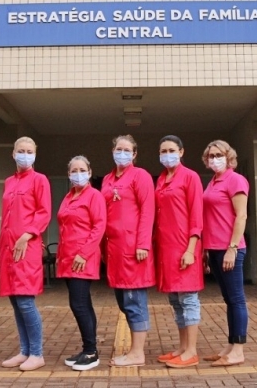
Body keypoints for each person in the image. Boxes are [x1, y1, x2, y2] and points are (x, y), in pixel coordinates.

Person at [0, 136, 52, 372]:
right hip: (8, 248)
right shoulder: (9, 181)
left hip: (26, 248)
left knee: (25, 301)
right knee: (15, 302)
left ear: (35, 154)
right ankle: (24, 351)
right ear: (13, 153)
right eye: (21, 150)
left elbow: (44, 212)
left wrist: (27, 234)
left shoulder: (40, 180)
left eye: (29, 151)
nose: (25, 155)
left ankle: (37, 353)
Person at [101, 135, 155, 367]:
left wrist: (143, 243)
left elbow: (148, 210)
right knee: (124, 302)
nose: (121, 153)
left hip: (133, 249)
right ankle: (134, 349)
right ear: (112, 151)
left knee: (134, 301)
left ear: (134, 154)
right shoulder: (107, 179)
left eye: (127, 150)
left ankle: (137, 353)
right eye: (118, 149)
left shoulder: (140, 176)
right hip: (114, 250)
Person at [154, 135, 204, 369]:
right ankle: (182, 347)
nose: (167, 154)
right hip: (167, 249)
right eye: (163, 151)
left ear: (182, 152)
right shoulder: (162, 180)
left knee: (189, 299)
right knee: (175, 300)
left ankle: (192, 351)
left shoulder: (190, 177)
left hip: (185, 247)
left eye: (171, 150)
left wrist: (191, 249)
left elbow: (196, 215)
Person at [56, 155, 106, 371]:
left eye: (82, 170)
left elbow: (99, 226)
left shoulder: (94, 196)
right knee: (83, 303)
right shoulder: (68, 197)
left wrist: (83, 254)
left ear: (89, 171)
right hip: (67, 258)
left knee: (78, 304)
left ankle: (91, 352)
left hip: (82, 259)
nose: (78, 174)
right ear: (68, 174)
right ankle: (88, 348)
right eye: (74, 171)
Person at [202, 140, 249, 367]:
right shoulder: (213, 182)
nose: (214, 159)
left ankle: (238, 349)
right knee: (229, 299)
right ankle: (230, 346)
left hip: (230, 249)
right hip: (214, 248)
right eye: (211, 155)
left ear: (229, 156)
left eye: (218, 154)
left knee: (237, 299)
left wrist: (232, 248)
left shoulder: (235, 180)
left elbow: (241, 216)